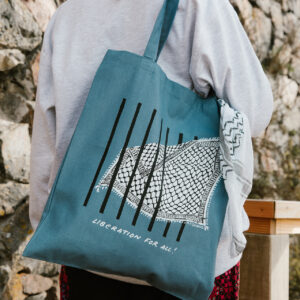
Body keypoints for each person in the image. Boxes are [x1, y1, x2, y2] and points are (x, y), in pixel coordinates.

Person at [29, 0, 274, 299]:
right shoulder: (198, 6)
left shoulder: (68, 14)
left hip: (84, 254)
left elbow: (47, 140)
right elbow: (254, 113)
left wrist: (51, 225)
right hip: (183, 260)